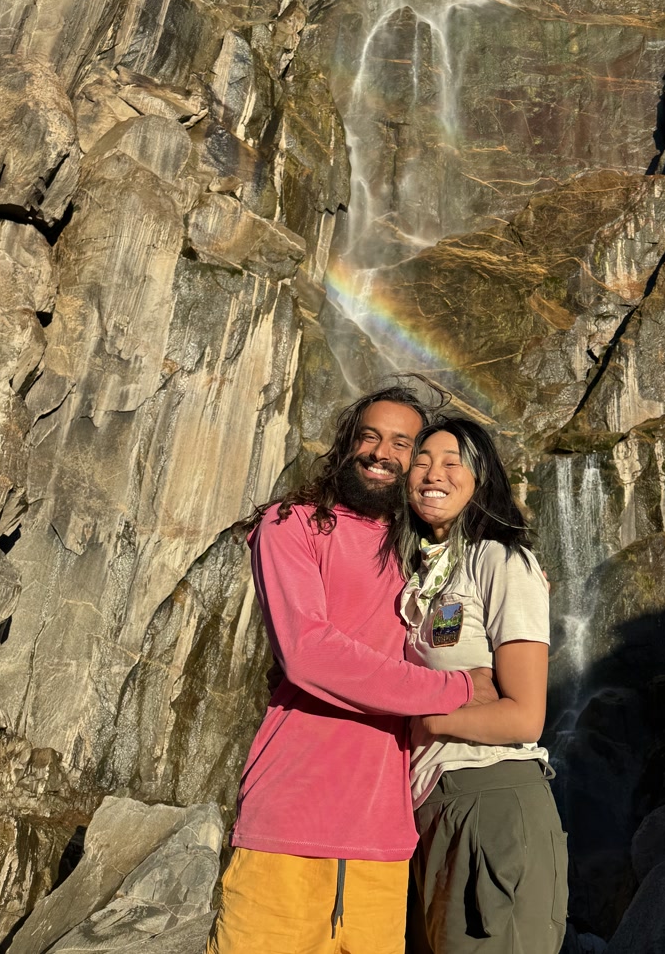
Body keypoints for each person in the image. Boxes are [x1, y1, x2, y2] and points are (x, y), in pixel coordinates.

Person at [206, 384, 499, 954]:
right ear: (346, 444)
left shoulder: (430, 555)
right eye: (368, 436)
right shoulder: (292, 525)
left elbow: (466, 622)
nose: (380, 452)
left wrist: (513, 574)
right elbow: (309, 654)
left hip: (385, 837)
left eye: (401, 443)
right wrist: (459, 689)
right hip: (288, 822)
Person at [396, 417, 568, 954]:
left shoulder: (500, 560)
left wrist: (426, 714)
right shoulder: (419, 575)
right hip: (429, 808)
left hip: (491, 796)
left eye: (453, 462)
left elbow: (524, 717)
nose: (433, 473)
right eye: (422, 460)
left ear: (481, 478)